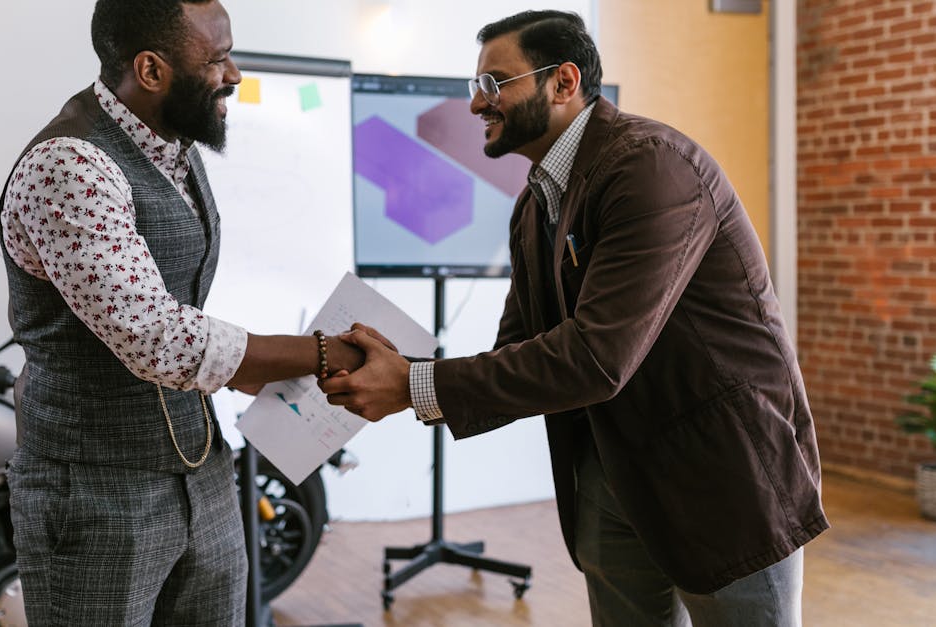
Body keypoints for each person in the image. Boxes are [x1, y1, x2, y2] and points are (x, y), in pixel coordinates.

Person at [322, 10, 826, 626]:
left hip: (720, 479)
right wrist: (404, 371)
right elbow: (521, 351)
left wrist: (412, 384)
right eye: (475, 87)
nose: (478, 105)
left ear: (563, 82)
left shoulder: (651, 166)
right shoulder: (534, 207)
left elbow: (594, 357)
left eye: (494, 83)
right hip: (610, 477)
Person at [0, 1, 362, 624]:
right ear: (150, 69)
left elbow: (177, 301)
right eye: (216, 58)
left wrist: (257, 367)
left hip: (201, 467)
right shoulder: (69, 166)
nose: (235, 73)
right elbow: (157, 339)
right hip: (93, 492)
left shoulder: (175, 144)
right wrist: (324, 351)